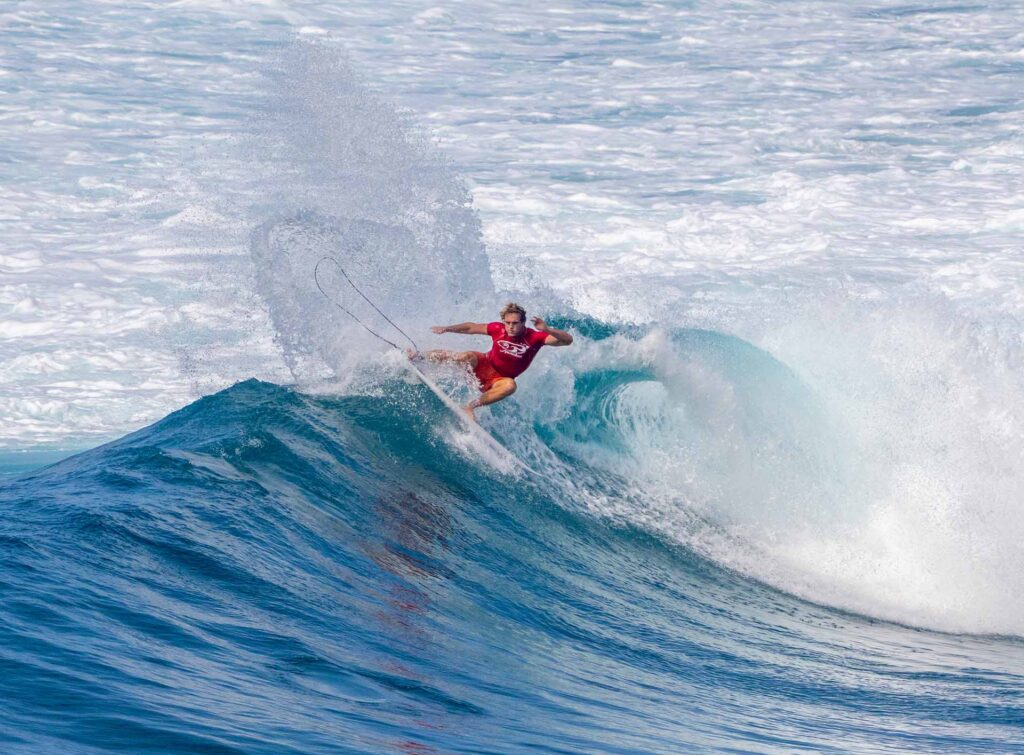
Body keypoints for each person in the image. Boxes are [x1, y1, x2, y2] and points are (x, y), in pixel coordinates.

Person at [407, 302, 573, 421]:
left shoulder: (535, 337)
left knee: (510, 386)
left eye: (515, 323)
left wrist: (547, 329)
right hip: (483, 365)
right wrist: (447, 328)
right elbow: (471, 327)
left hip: (498, 381)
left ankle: (469, 407)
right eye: (507, 323)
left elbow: (567, 341)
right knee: (464, 356)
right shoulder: (497, 329)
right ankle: (418, 357)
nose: (510, 327)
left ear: (523, 322)